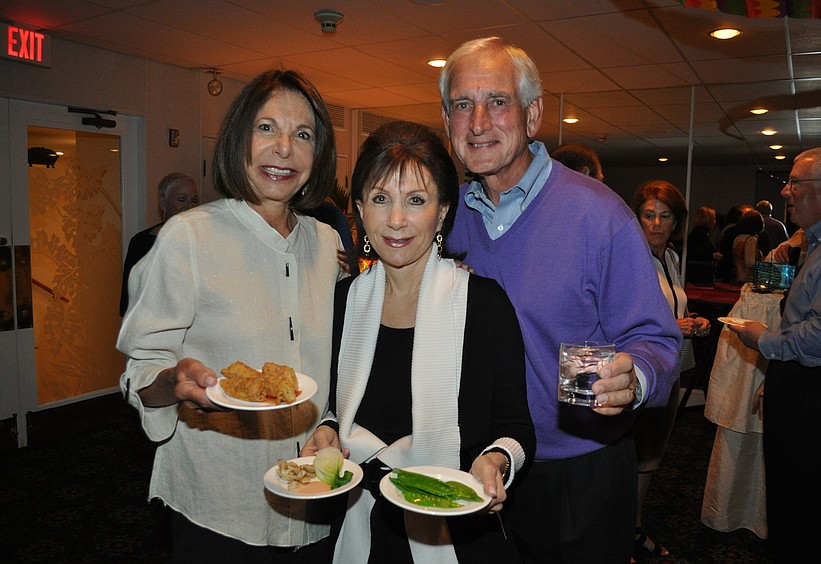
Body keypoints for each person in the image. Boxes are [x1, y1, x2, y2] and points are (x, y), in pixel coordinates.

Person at [438, 36, 681, 563]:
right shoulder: (443, 216)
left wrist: (632, 377)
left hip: (576, 472)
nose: (478, 121)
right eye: (462, 104)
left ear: (532, 114)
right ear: (447, 120)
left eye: (498, 101)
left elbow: (657, 338)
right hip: (475, 465)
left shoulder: (600, 214)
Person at [116, 69, 347, 561]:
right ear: (238, 139)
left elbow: (330, 360)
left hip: (311, 495)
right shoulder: (188, 237)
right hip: (218, 504)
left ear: (318, 154)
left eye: (302, 134)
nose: (284, 148)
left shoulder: (325, 243)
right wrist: (173, 384)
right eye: (266, 128)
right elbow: (140, 368)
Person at [301, 120, 536, 563]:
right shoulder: (344, 300)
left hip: (457, 529)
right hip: (361, 524)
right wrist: (328, 429)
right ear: (359, 209)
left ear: (443, 211)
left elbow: (517, 429)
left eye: (415, 201)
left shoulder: (483, 305)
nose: (395, 220)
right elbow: (335, 406)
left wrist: (496, 461)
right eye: (380, 199)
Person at [728, 145, 821, 563]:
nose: (786, 192)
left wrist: (765, 342)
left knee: (808, 508)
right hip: (808, 388)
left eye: (797, 182)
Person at [630, 180, 711, 560]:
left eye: (665, 216)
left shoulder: (672, 258)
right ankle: (628, 530)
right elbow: (627, 320)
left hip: (674, 363)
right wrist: (672, 327)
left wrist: (690, 321)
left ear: (676, 222)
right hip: (646, 365)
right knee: (640, 456)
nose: (656, 224)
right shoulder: (631, 256)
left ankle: (633, 524)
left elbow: (671, 310)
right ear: (638, 217)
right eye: (649, 215)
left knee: (654, 455)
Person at [119, 172, 199, 315]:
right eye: (182, 199)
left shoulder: (205, 241)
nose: (189, 206)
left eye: (194, 200)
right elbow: (129, 302)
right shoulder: (141, 243)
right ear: (163, 203)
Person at [685, 206, 723, 286]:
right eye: (713, 218)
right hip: (700, 275)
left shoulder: (698, 233)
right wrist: (711, 256)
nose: (715, 222)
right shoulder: (700, 234)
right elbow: (693, 253)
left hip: (698, 273)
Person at [732, 209, 764, 284]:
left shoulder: (738, 238)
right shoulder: (751, 240)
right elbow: (750, 263)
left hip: (737, 276)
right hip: (748, 279)